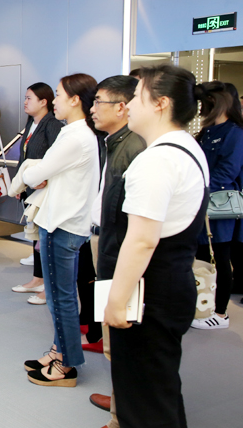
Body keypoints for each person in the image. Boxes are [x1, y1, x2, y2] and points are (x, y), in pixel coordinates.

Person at [103, 65, 209, 428]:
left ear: (161, 103)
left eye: (136, 96)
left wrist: (117, 301)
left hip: (150, 292)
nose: (128, 104)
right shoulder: (186, 147)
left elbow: (142, 240)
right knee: (158, 391)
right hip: (172, 283)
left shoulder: (157, 160)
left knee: (144, 402)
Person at [20, 74, 99, 387]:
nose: (54, 101)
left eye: (58, 94)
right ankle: (58, 350)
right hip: (64, 221)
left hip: (62, 224)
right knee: (59, 296)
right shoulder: (76, 133)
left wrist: (35, 173)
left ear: (75, 99)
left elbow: (34, 174)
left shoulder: (75, 136)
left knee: (60, 299)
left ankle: (66, 364)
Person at [87, 74, 146, 426]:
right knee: (113, 339)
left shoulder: (134, 147)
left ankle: (121, 416)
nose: (92, 109)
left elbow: (134, 226)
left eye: (98, 102)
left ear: (122, 107)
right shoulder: (115, 142)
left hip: (118, 251)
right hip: (105, 243)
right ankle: (119, 401)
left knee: (122, 338)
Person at [192, 81, 243, 329]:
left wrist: (198, 188)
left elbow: (227, 171)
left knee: (219, 257)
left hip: (220, 205)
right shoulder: (208, 131)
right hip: (201, 203)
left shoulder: (235, 132)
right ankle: (203, 308)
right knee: (203, 257)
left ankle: (220, 313)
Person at [12, 83, 63, 304]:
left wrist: (43, 179)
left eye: (29, 98)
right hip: (31, 187)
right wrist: (20, 184)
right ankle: (37, 279)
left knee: (44, 238)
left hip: (43, 190)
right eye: (25, 97)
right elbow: (24, 157)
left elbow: (55, 158)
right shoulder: (31, 123)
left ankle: (47, 288)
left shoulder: (53, 125)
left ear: (44, 102)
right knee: (35, 235)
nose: (25, 102)